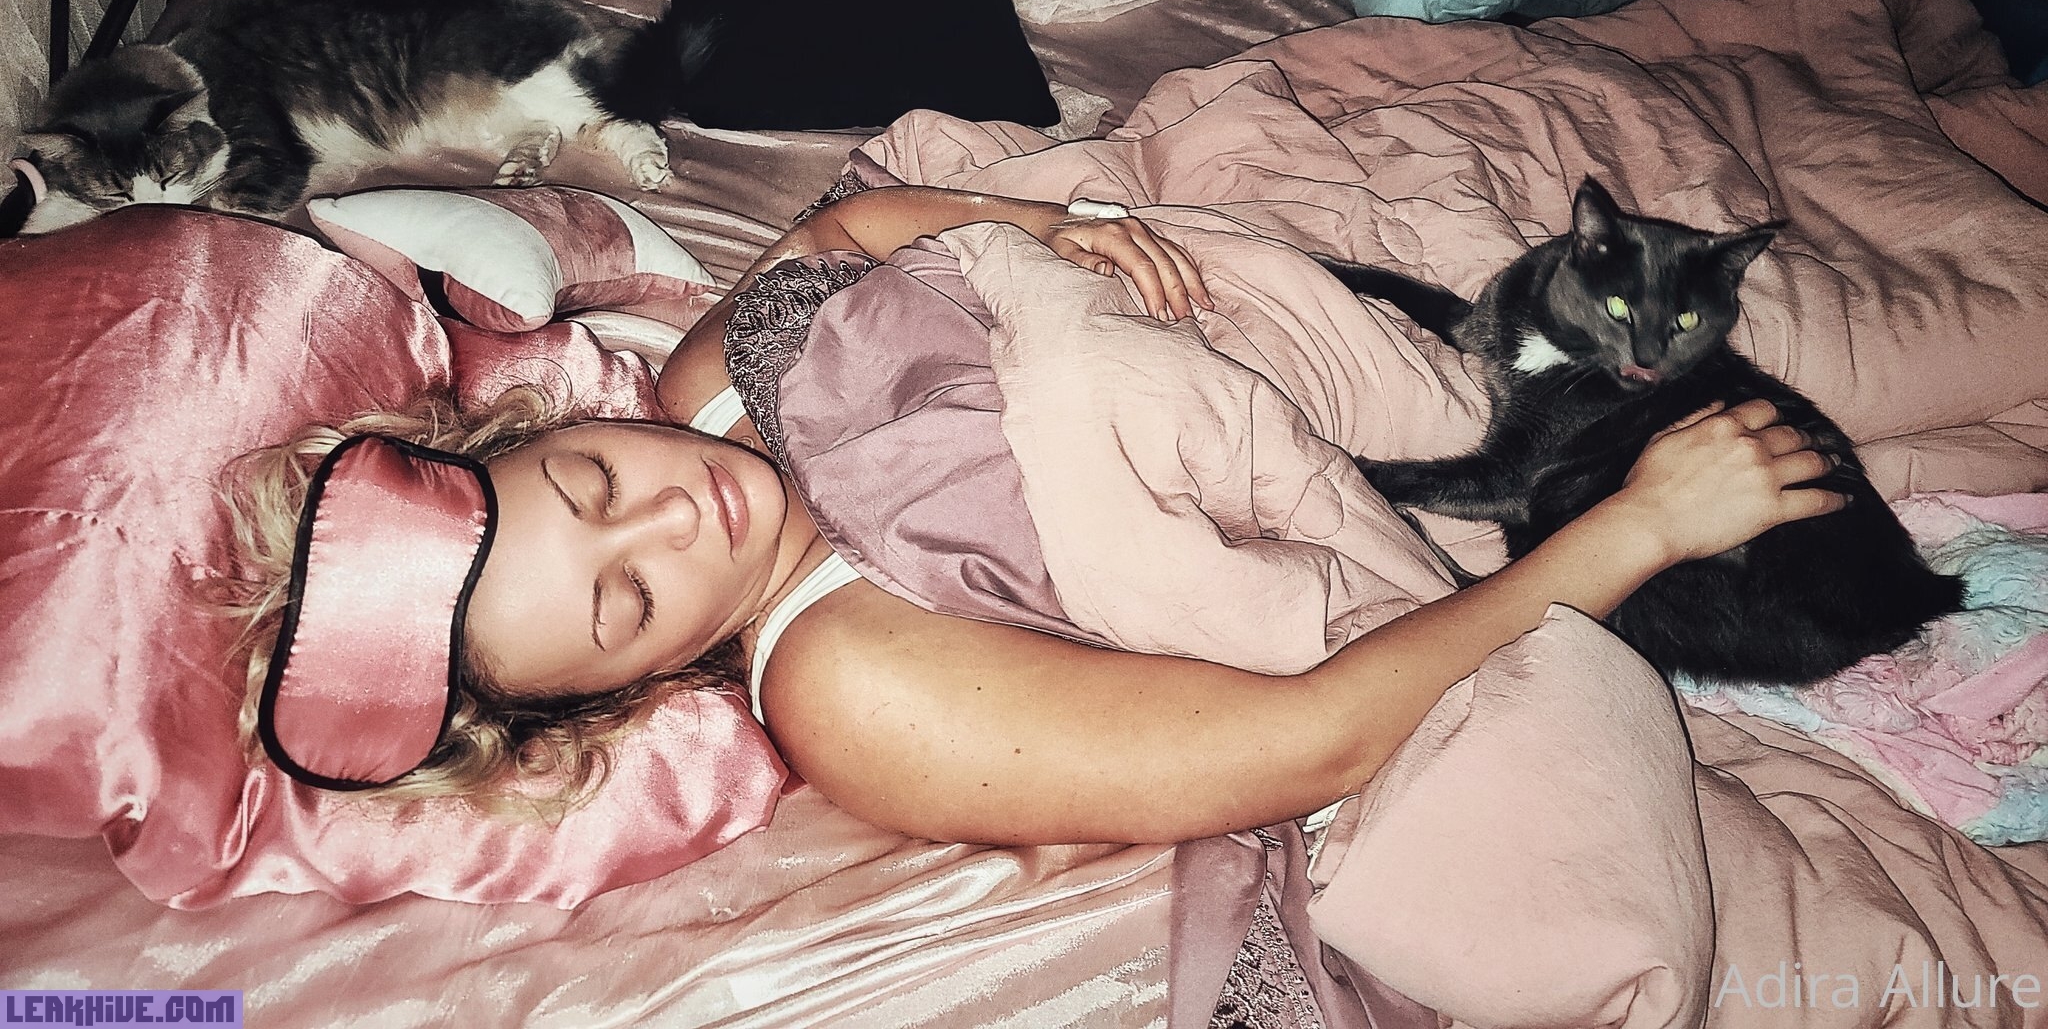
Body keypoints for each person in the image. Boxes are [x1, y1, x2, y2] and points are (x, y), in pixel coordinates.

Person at [225, 182, 1843, 843]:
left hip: (1296, 338)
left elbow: (839, 226)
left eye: (589, 485)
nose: (676, 519)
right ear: (628, 689)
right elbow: (1313, 740)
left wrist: (1048, 226)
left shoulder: (706, 385)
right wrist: (1638, 529)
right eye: (627, 602)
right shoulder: (855, 690)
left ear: (550, 426)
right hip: (1370, 503)